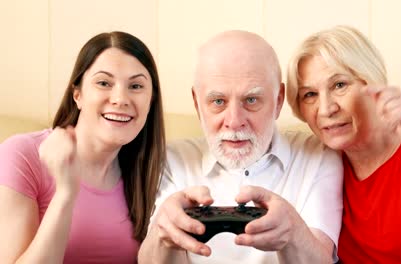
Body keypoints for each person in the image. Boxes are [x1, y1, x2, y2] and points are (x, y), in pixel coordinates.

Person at [138, 30, 343, 264]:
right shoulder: (173, 160)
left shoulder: (318, 156)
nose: (234, 121)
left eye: (251, 100)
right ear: (197, 103)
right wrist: (163, 235)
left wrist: (294, 232)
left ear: (278, 101)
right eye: (218, 102)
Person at [286, 25, 401, 263]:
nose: (326, 109)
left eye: (339, 85)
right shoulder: (317, 162)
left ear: (371, 82)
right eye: (309, 95)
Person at [0, 31, 166, 263]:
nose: (120, 98)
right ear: (77, 94)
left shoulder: (153, 172)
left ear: (151, 101)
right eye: (103, 83)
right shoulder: (21, 154)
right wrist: (66, 193)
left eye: (136, 86)